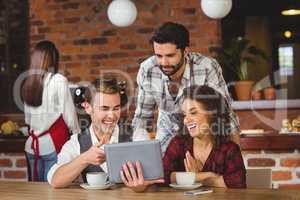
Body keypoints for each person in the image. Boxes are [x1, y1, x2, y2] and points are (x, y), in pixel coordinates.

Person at [132, 22, 240, 154]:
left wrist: (236, 158)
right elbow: (142, 118)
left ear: (185, 51)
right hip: (167, 129)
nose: (163, 63)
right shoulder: (147, 69)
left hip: (203, 132)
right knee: (162, 169)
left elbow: (226, 113)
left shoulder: (207, 67)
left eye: (170, 56)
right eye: (159, 56)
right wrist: (140, 155)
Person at [47, 75, 130, 188]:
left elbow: (153, 178)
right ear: (87, 108)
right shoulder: (77, 142)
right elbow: (55, 180)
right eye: (104, 109)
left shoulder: (136, 135)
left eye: (116, 108)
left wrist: (141, 187)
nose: (111, 116)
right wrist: (85, 158)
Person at [163, 85, 246, 188]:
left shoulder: (229, 150)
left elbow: (237, 183)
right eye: (184, 114)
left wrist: (196, 177)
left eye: (193, 113)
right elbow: (162, 177)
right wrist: (211, 177)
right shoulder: (178, 144)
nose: (186, 120)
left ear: (212, 114)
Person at [22, 40, 80, 182]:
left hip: (31, 146)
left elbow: (27, 121)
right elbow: (70, 117)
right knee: (52, 193)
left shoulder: (27, 83)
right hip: (50, 146)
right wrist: (78, 136)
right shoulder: (58, 80)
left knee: (35, 193)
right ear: (54, 59)